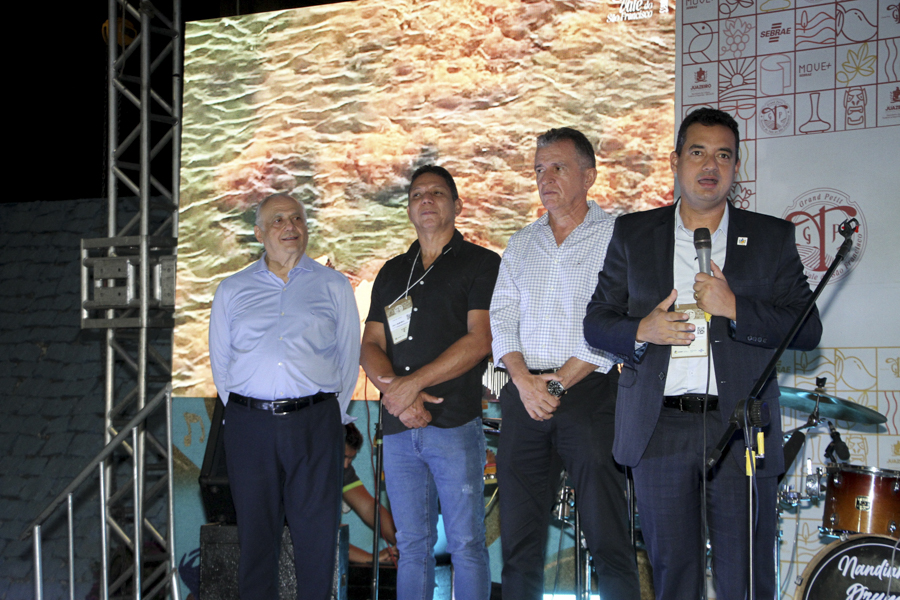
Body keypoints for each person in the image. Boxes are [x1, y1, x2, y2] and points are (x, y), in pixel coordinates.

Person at [583, 108, 823, 600]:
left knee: (746, 578)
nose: (710, 165)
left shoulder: (770, 237)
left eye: (723, 155)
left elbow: (807, 328)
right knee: (673, 576)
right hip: (659, 429)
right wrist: (642, 329)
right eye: (697, 152)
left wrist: (736, 307)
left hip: (740, 430)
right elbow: (597, 321)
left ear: (736, 167)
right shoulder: (633, 233)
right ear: (675, 161)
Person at [489, 128, 641, 599]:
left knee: (606, 536)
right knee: (518, 543)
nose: (545, 178)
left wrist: (557, 384)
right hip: (524, 395)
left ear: (589, 176)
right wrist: (523, 381)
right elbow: (502, 317)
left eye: (558, 167)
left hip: (590, 392)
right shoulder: (521, 242)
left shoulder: (619, 236)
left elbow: (621, 318)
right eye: (539, 169)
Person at [209, 193, 361, 600]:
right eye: (278, 220)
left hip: (315, 422)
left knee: (317, 538)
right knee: (256, 538)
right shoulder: (232, 289)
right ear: (259, 233)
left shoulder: (333, 285)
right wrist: (253, 408)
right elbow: (222, 366)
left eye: (297, 218)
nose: (290, 226)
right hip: (249, 425)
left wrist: (324, 412)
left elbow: (348, 359)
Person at [360, 165, 499, 600]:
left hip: (454, 423)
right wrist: (398, 394)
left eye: (437, 193)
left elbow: (480, 340)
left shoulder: (481, 263)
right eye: (418, 194)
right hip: (399, 427)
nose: (426, 199)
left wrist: (411, 384)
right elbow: (370, 344)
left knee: (466, 545)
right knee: (411, 546)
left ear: (457, 205)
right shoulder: (391, 271)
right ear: (408, 209)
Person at [341, 422, 398, 564]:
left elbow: (369, 508)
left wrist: (405, 543)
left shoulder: (343, 470)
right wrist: (371, 558)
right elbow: (322, 535)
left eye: (350, 459)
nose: (346, 465)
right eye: (343, 457)